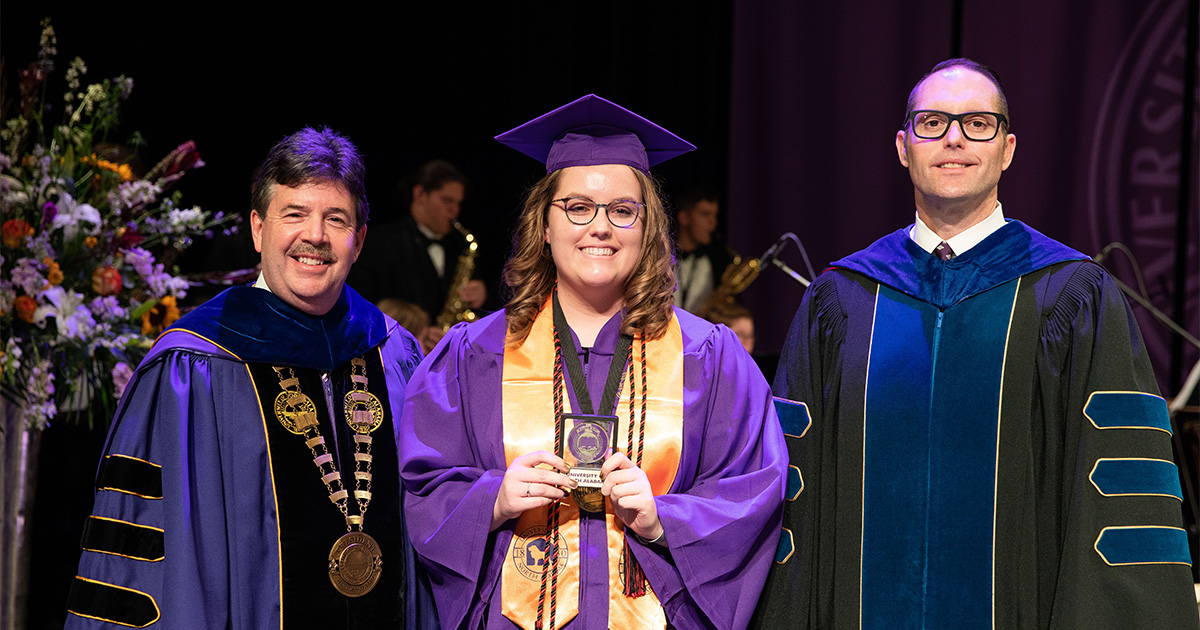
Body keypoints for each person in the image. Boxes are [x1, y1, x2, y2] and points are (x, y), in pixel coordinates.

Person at [752, 59, 1199, 629]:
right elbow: (795, 494)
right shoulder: (842, 299)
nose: (955, 138)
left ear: (1007, 149)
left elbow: (1120, 495)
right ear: (902, 146)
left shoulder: (1070, 294)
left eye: (978, 123)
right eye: (932, 122)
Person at [400, 94, 787, 630]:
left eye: (622, 210)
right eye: (577, 207)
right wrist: (493, 498)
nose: (599, 227)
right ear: (543, 222)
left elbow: (753, 490)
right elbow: (422, 488)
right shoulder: (474, 355)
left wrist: (662, 520)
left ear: (647, 227)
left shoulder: (710, 358)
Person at [65, 127, 439, 629]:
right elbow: (147, 555)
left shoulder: (392, 350)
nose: (316, 236)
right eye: (295, 214)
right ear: (258, 229)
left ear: (360, 239)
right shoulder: (191, 368)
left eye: (336, 218)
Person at [349, 159, 486, 353]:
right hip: (390, 353)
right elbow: (359, 304)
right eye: (447, 200)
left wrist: (481, 293)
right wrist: (413, 333)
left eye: (458, 203)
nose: (454, 210)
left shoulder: (459, 248)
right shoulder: (379, 241)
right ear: (419, 194)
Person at [671, 188, 733, 313]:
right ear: (684, 218)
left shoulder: (713, 262)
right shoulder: (660, 259)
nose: (713, 223)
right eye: (705, 214)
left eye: (715, 215)